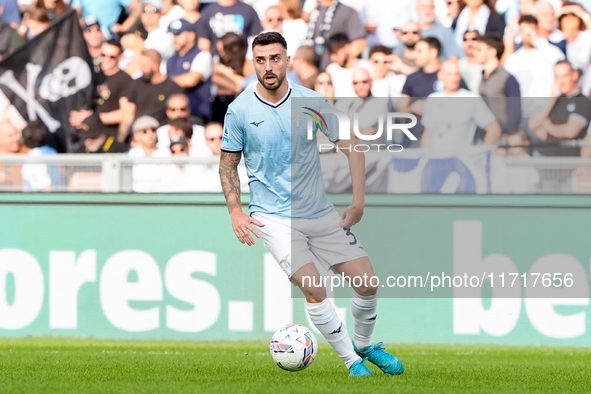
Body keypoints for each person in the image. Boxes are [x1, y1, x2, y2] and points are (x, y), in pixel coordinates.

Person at [219, 31, 404, 378]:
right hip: (272, 217)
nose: (268, 66)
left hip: (319, 212)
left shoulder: (312, 102)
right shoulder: (240, 110)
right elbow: (228, 164)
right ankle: (352, 361)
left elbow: (352, 145)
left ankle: (364, 345)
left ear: (288, 61)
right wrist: (235, 210)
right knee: (314, 287)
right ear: (253, 64)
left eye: (275, 58)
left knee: (367, 283)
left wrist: (358, 202)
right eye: (260, 60)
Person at [421, 59, 501, 148]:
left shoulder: (471, 99)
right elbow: (428, 132)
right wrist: (426, 157)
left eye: (457, 74)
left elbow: (493, 129)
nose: (453, 78)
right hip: (437, 159)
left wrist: (482, 155)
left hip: (463, 159)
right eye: (449, 74)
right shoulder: (432, 99)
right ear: (440, 75)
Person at [70, 39, 135, 143]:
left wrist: (93, 118)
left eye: (112, 57)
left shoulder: (126, 80)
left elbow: (125, 114)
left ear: (120, 57)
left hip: (109, 136)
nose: (106, 59)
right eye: (103, 55)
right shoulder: (92, 77)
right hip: (86, 135)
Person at [529, 61, 591, 157]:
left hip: (570, 164)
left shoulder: (583, 101)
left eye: (564, 76)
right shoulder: (553, 102)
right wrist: (552, 97)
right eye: (557, 77)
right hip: (549, 163)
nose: (560, 81)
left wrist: (547, 125)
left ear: (575, 75)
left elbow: (570, 131)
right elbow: (533, 124)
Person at [165, 18, 213, 123]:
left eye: (178, 34)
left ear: (191, 35)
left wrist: (165, 82)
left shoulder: (202, 55)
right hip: (173, 116)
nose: (174, 38)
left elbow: (191, 80)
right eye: (173, 35)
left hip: (196, 114)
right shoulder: (170, 59)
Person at [475, 34, 521, 135]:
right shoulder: (483, 77)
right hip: (484, 135)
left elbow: (515, 111)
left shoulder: (508, 79)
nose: (475, 53)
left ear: (492, 52)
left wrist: (506, 133)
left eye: (479, 50)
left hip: (501, 137)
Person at [303, 0, 366, 71]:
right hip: (316, 71)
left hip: (337, 72)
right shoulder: (315, 11)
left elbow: (359, 42)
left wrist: (341, 66)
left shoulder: (347, 11)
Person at [127, 49, 184, 125]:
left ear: (156, 65)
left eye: (145, 65)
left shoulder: (172, 87)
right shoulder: (136, 84)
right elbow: (129, 112)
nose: (141, 69)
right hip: (139, 130)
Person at [196, 0, 263, 55]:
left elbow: (256, 40)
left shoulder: (248, 10)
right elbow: (204, 46)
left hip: (244, 62)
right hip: (217, 64)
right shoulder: (207, 13)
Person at [211, 32, 247, 123]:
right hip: (221, 106)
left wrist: (226, 71)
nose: (221, 54)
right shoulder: (218, 64)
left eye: (222, 50)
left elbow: (243, 84)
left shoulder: (247, 64)